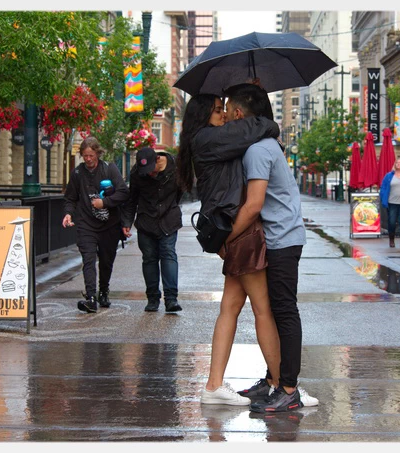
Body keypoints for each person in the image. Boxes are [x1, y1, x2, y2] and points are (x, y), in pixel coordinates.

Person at [176, 93, 283, 406]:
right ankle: (282, 384)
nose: (224, 116)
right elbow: (254, 128)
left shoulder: (207, 139)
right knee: (264, 310)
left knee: (231, 307)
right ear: (203, 115)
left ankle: (213, 385)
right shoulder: (208, 138)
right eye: (218, 110)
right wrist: (264, 117)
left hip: (232, 229)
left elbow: (246, 136)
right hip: (241, 231)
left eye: (225, 110)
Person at [217, 83, 315, 413]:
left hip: (282, 239)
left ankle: (288, 388)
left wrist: (225, 238)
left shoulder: (259, 150)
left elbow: (254, 205)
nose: (226, 115)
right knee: (272, 311)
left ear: (239, 114)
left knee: (284, 311)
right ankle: (274, 379)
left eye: (228, 109)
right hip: (276, 237)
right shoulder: (262, 145)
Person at [62, 137, 129, 313]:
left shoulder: (110, 169)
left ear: (97, 153)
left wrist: (105, 202)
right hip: (86, 224)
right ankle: (91, 297)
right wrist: (68, 213)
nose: (88, 159)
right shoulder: (77, 173)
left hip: (109, 224)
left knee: (106, 261)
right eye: (85, 156)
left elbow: (123, 193)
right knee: (89, 260)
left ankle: (104, 291)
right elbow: (70, 197)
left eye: (91, 155)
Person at [121, 147, 183, 313]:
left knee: (168, 254)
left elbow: (180, 192)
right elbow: (132, 199)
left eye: (150, 170)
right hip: (146, 221)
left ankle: (171, 299)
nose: (149, 174)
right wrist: (127, 221)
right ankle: (153, 298)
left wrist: (171, 207)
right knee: (149, 259)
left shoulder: (175, 168)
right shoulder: (137, 173)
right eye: (145, 171)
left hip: (168, 220)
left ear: (157, 160)